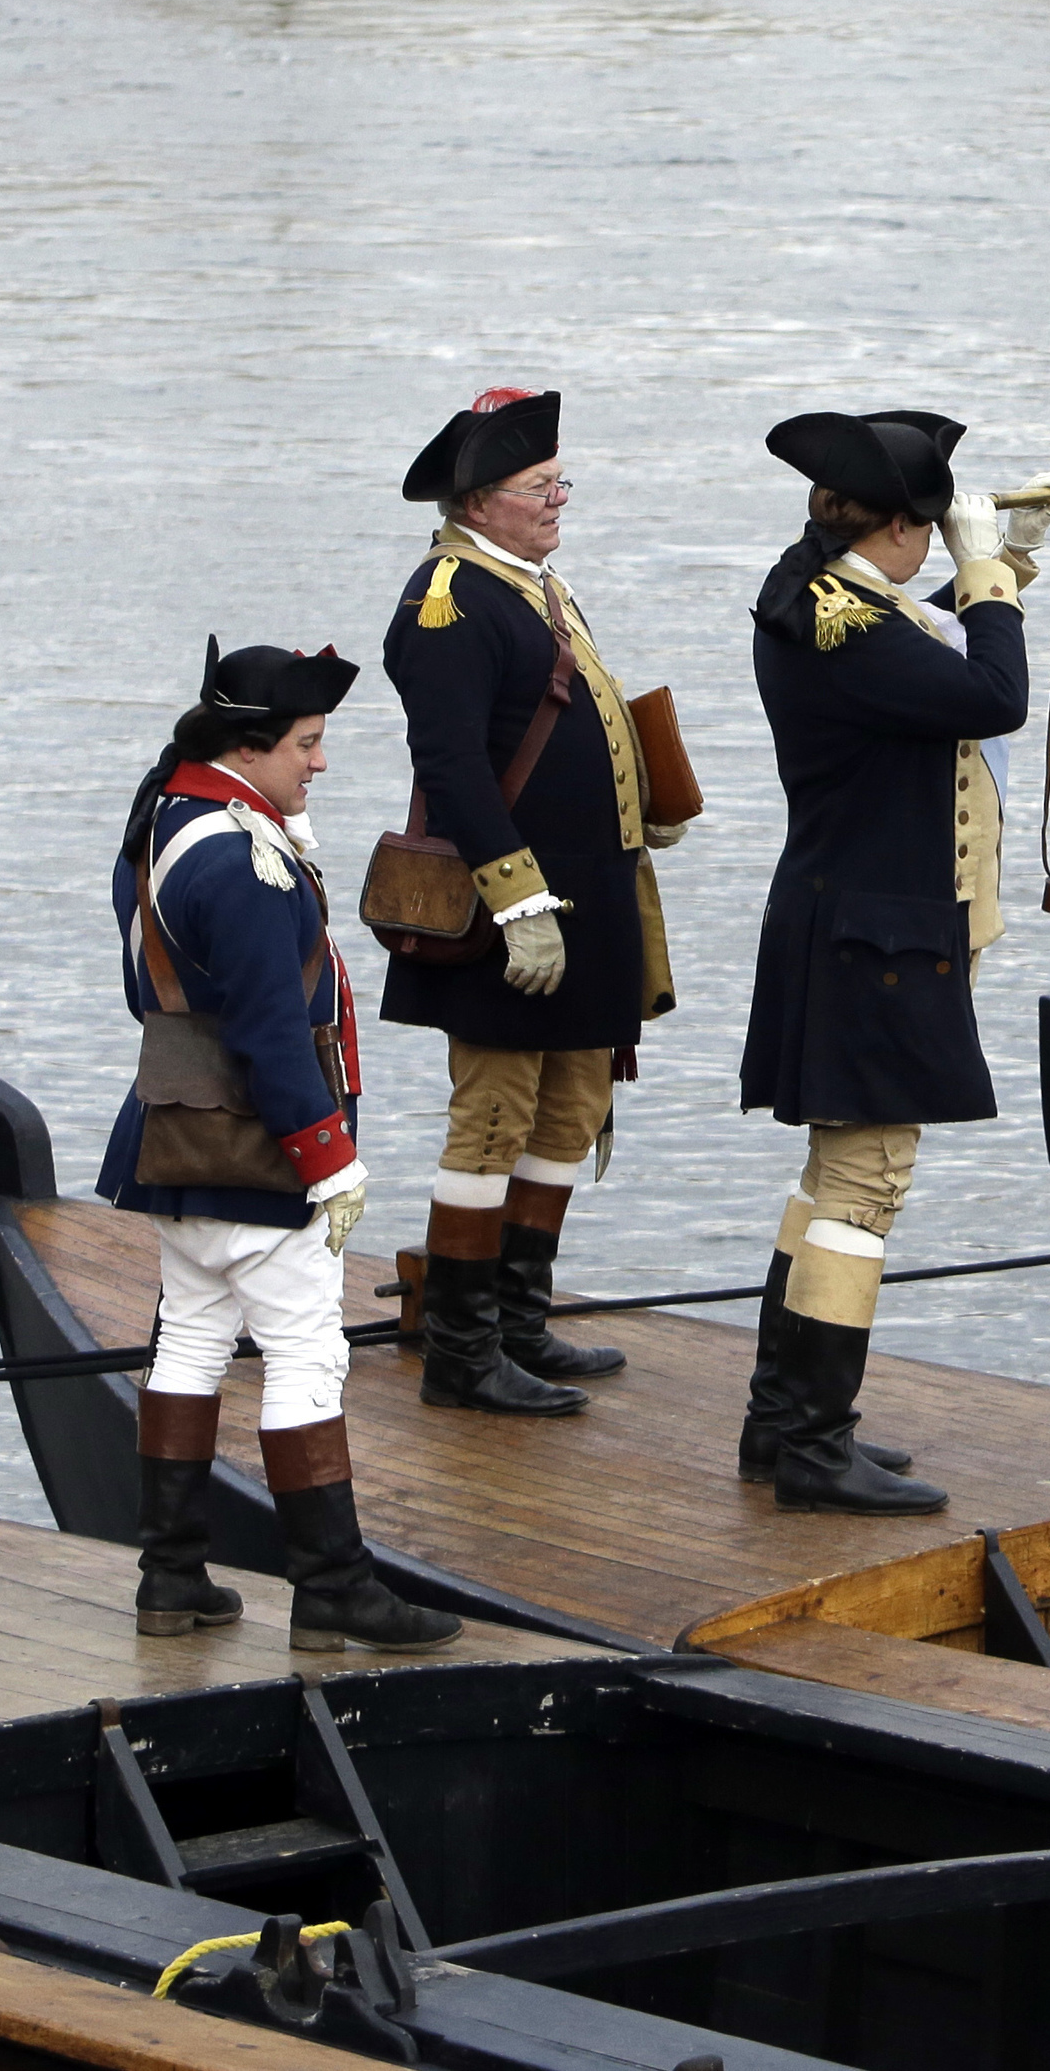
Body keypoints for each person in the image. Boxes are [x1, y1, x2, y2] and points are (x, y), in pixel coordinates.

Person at [99, 642, 461, 1656]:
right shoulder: (243, 859)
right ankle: (335, 1586)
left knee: (191, 1339)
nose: (320, 763)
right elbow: (268, 1026)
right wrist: (327, 1157)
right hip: (258, 1146)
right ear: (248, 744)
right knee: (309, 1354)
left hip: (176, 1133)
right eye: (306, 743)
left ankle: (170, 1575)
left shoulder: (168, 816)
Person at [735, 411, 1050, 1514]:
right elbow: (990, 693)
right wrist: (988, 576)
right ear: (907, 530)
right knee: (865, 1183)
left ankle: (782, 1424)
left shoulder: (820, 590)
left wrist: (1004, 556)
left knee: (830, 1175)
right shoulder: (855, 628)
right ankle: (817, 1445)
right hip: (878, 933)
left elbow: (927, 643)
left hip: (842, 916)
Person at [377, 386, 680, 1416]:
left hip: (592, 894)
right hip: (515, 914)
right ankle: (461, 1354)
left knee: (572, 1106)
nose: (560, 499)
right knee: (494, 1119)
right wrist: (518, 903)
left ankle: (516, 1316)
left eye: (560, 481)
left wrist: (648, 800)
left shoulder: (536, 585)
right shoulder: (450, 600)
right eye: (540, 485)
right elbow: (453, 766)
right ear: (479, 500)